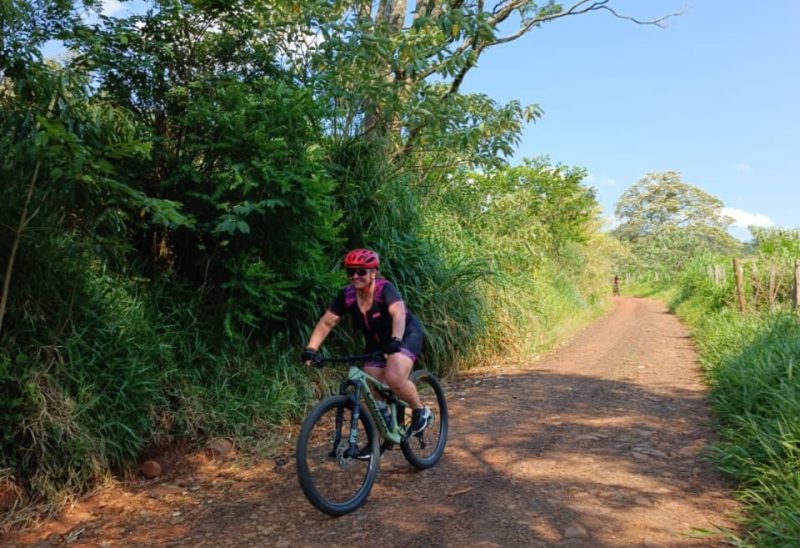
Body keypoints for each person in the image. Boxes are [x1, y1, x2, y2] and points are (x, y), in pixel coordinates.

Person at [301, 248, 431, 442]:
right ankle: (386, 431)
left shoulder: (384, 289)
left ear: (373, 272)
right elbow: (327, 322)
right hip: (376, 343)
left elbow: (398, 314)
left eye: (361, 271)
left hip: (404, 335)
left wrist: (395, 340)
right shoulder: (347, 296)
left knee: (394, 377)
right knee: (372, 384)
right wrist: (311, 349)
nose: (355, 276)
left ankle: (420, 412)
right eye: (350, 272)